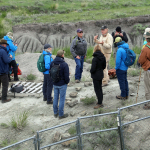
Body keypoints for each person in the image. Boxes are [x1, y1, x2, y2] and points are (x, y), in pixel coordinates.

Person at [51, 50, 70, 119]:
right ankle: (61, 114)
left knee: (55, 98)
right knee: (62, 99)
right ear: (62, 55)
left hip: (55, 83)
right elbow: (66, 76)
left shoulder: (52, 63)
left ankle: (55, 113)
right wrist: (67, 82)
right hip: (62, 84)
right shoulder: (64, 64)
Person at [90, 45, 106, 109]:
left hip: (95, 75)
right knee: (100, 88)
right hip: (100, 74)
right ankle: (100, 101)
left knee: (97, 89)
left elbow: (93, 68)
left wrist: (91, 71)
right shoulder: (103, 57)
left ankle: (100, 103)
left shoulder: (95, 58)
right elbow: (104, 66)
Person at [138, 31, 150, 110]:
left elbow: (141, 60)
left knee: (148, 87)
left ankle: (149, 103)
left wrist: (140, 63)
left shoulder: (146, 48)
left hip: (148, 69)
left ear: (146, 38)